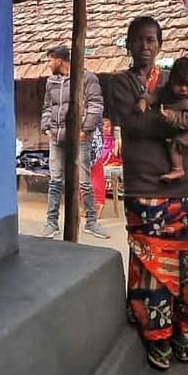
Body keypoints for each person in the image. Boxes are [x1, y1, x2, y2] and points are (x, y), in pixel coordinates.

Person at [103, 17, 188, 370]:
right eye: (138, 40)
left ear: (160, 45)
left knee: (183, 263)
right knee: (149, 264)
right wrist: (181, 120)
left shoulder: (172, 79)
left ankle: (179, 328)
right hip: (144, 186)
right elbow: (135, 124)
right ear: (129, 45)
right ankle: (155, 334)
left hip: (181, 190)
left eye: (151, 39)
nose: (145, 46)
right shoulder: (120, 83)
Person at [40, 46, 109, 240]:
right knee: (55, 181)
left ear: (59, 61)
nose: (48, 64)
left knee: (84, 182)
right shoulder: (51, 82)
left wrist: (85, 129)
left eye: (49, 60)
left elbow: (95, 105)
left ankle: (92, 222)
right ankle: (51, 223)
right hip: (56, 138)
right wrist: (46, 127)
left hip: (79, 138)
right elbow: (47, 107)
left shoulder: (87, 78)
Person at [139, 56, 188, 182]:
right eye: (179, 84)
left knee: (177, 143)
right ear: (171, 81)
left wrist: (170, 116)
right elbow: (156, 94)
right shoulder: (167, 89)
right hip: (171, 126)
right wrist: (145, 101)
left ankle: (178, 169)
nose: (183, 89)